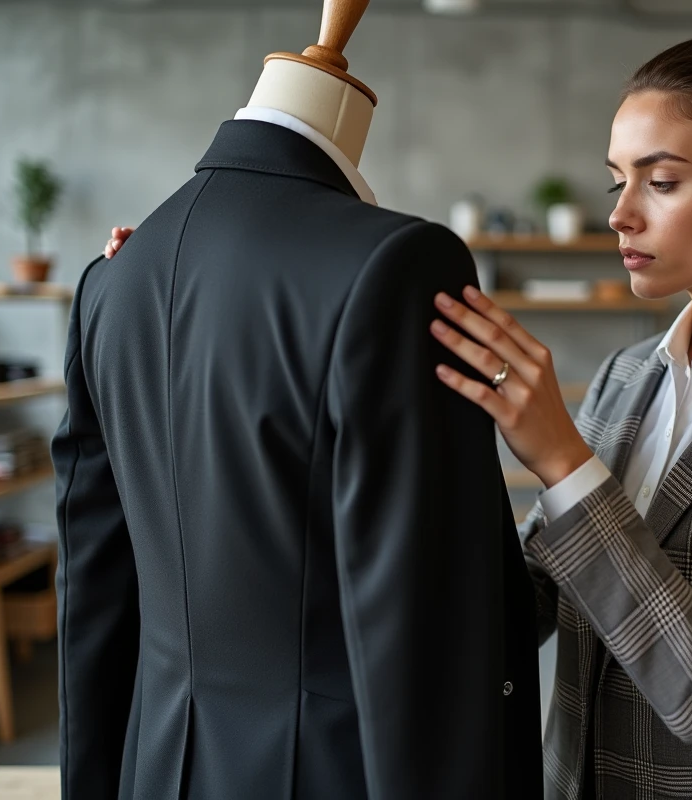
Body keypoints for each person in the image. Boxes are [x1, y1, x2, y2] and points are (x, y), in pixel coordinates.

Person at [107, 34, 692, 800]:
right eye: (618, 179)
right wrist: (206, 281)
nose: (621, 213)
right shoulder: (626, 377)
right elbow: (523, 605)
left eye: (662, 180)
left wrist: (564, 462)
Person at [62, 110, 541, 797]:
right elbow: (423, 622)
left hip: (155, 760)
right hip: (324, 769)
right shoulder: (400, 263)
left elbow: (90, 582)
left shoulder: (111, 276)